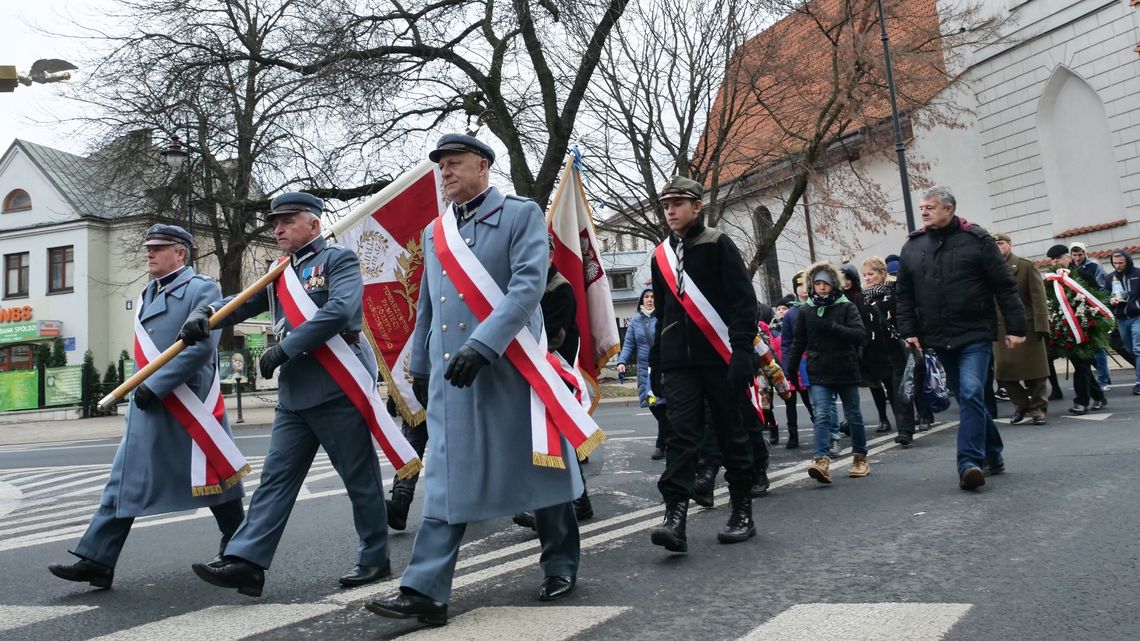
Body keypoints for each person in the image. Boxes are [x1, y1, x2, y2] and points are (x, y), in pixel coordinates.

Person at [365, 134, 584, 627]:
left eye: (455, 163)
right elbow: (427, 304)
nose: (445, 173)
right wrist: (418, 365)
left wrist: (483, 345)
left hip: (512, 368)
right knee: (446, 477)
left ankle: (561, 563)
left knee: (539, 469)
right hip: (452, 379)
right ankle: (424, 590)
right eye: (440, 166)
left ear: (483, 165)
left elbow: (527, 286)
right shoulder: (434, 232)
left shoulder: (519, 214)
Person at [182, 192, 392, 597]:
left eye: (288, 221)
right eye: (275, 222)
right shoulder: (280, 273)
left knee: (359, 479)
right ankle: (248, 562)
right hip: (296, 394)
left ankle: (374, 557)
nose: (277, 228)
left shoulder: (337, 261)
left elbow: (341, 311)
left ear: (313, 225)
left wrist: (285, 347)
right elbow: (240, 304)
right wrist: (204, 316)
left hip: (337, 385)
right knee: (275, 481)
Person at [48, 225, 246, 589]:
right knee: (124, 480)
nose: (149, 254)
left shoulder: (202, 289)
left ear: (181, 253)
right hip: (150, 404)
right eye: (148, 248)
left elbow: (200, 349)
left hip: (188, 404)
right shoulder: (146, 293)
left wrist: (155, 385)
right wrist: (147, 389)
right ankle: (97, 559)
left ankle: (240, 552)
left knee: (214, 476)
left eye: (158, 248)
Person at [646, 175, 759, 553]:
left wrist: (742, 351)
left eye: (678, 204)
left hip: (719, 357)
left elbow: (743, 302)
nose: (671, 211)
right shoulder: (660, 256)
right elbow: (663, 313)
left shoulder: (718, 244)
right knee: (681, 436)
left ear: (697, 207)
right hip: (679, 362)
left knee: (732, 433)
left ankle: (741, 509)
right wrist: (657, 364)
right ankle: (674, 518)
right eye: (666, 205)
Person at [896, 186, 1027, 490]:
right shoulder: (913, 247)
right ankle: (993, 453)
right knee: (972, 398)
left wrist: (1017, 327)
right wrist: (910, 331)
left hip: (975, 333)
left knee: (970, 393)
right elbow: (904, 293)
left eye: (930, 207)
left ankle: (968, 463)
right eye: (922, 207)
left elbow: (1004, 286)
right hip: (939, 337)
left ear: (949, 209)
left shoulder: (977, 241)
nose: (924, 212)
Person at [513, 241, 595, 527]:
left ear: (549, 256)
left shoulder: (559, 288)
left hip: (554, 366)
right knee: (545, 435)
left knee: (556, 433)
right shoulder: (529, 284)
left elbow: (554, 334)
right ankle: (572, 500)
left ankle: (578, 500)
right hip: (535, 367)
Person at [786, 262, 870, 484]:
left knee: (853, 414)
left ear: (834, 284)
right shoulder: (806, 310)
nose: (822, 288)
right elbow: (798, 341)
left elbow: (860, 335)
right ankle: (821, 459)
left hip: (845, 367)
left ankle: (860, 457)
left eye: (826, 283)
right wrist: (791, 369)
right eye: (818, 284)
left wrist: (832, 327)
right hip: (819, 368)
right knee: (821, 414)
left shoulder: (846, 306)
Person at [992, 234, 1051, 425]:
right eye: (994, 244)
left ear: (1009, 245)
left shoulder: (1025, 266)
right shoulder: (989, 268)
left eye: (1000, 243)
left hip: (1028, 326)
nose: (997, 247)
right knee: (1005, 373)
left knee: (1035, 372)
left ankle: (1038, 408)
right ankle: (1021, 406)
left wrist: (1042, 325)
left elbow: (1038, 298)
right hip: (1000, 328)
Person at [860, 256, 916, 446]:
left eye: (871, 274)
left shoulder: (894, 292)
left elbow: (906, 315)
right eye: (865, 275)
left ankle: (905, 430)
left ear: (882, 273)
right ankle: (903, 424)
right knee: (891, 391)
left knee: (901, 388)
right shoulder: (863, 298)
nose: (867, 278)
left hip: (897, 348)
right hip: (877, 352)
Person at [617, 288, 669, 460]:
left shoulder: (663, 317)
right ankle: (669, 438)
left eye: (653, 297)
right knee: (654, 406)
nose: (649, 300)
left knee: (662, 406)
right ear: (641, 301)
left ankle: (661, 444)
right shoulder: (635, 321)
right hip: (646, 374)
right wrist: (622, 362)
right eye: (646, 297)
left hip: (662, 370)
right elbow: (629, 344)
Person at [779, 273, 815, 449]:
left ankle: (821, 429)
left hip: (812, 360)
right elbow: (786, 343)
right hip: (795, 362)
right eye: (799, 286)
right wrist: (786, 367)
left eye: (806, 285)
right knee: (790, 401)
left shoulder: (816, 307)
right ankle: (793, 434)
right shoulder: (790, 314)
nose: (803, 289)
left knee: (812, 400)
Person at [1069, 241, 1112, 390]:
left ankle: (1103, 380)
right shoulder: (1069, 269)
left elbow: (1101, 287)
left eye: (1080, 254)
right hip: (1077, 312)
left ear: (1085, 253)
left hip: (1093, 309)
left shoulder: (1094, 266)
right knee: (1087, 348)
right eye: (1074, 255)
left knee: (1099, 348)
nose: (1077, 258)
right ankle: (1102, 374)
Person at [1109, 251, 1140, 395]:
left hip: (1137, 316)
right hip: (1121, 318)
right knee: (1129, 349)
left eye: (1120, 263)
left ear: (1127, 261)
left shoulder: (1138, 274)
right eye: (1115, 263)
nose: (1118, 266)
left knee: (1138, 349)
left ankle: (1139, 383)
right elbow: (1103, 295)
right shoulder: (1110, 277)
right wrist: (1110, 301)